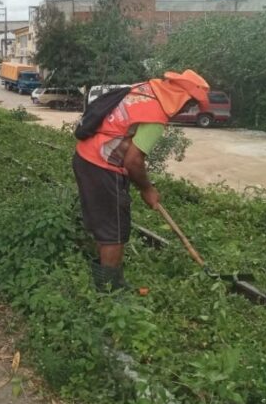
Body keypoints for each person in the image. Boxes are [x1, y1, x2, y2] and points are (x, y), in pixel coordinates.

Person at [73, 70, 209, 292]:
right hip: (102, 166)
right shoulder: (156, 115)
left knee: (106, 224)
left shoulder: (144, 90)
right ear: (182, 98)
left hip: (85, 156)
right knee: (114, 232)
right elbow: (133, 161)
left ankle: (107, 281)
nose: (188, 110)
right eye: (191, 104)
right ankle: (110, 292)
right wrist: (148, 189)